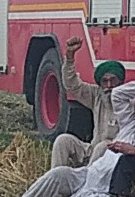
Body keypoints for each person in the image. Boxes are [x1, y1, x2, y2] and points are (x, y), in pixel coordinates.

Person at [2, 79, 135, 197]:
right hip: (87, 174)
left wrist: (132, 150)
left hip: (103, 191)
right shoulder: (129, 124)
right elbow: (118, 93)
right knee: (57, 173)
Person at [52, 36, 127, 169]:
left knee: (103, 145)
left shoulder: (129, 99)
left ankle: (87, 185)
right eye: (105, 81)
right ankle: (56, 180)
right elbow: (72, 85)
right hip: (91, 150)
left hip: (114, 153)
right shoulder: (97, 94)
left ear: (120, 81)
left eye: (113, 80)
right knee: (62, 140)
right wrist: (70, 57)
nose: (109, 85)